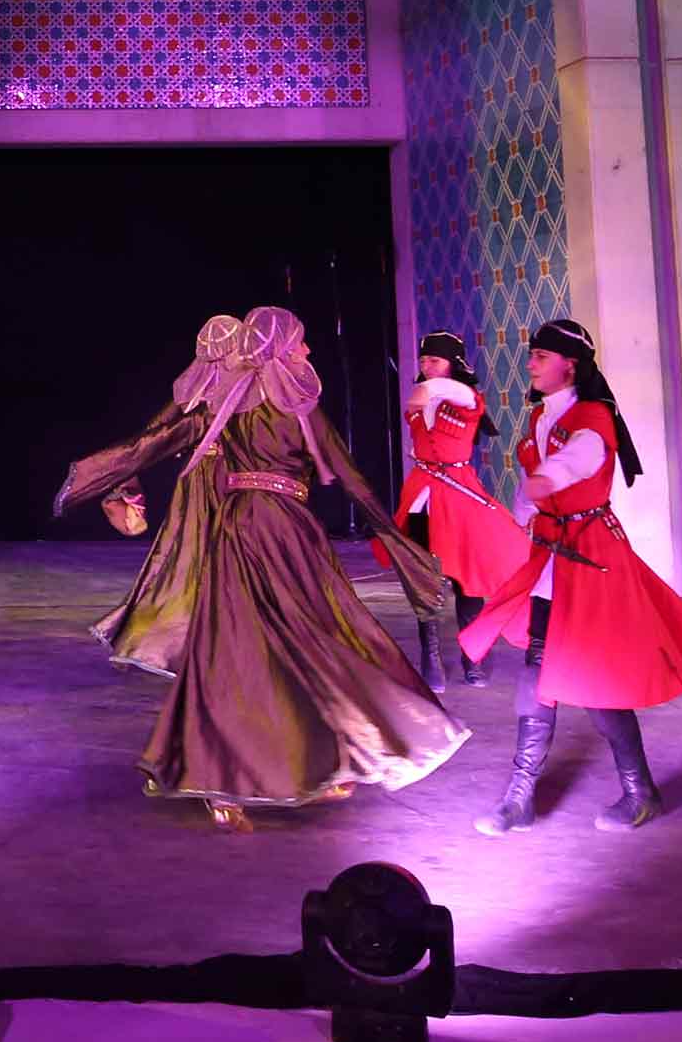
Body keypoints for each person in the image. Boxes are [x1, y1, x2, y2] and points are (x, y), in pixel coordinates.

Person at [56, 308, 466, 831]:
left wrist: (94, 476)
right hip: (278, 531)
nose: (309, 353)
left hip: (251, 529)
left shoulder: (229, 404)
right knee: (277, 645)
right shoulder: (294, 407)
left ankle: (306, 764)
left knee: (262, 648)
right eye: (301, 343)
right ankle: (230, 778)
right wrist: (392, 534)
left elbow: (155, 441)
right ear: (282, 347)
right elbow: (350, 479)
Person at [462, 318, 682, 833]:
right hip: (551, 553)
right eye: (531, 355)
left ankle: (640, 792)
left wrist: (546, 479)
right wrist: (519, 516)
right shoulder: (540, 417)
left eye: (540, 356)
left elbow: (582, 457)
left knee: (598, 679)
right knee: (536, 669)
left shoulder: (592, 414)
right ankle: (520, 795)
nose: (530, 363)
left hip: (591, 555)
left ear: (570, 364)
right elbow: (529, 489)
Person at [83, 312, 241, 676]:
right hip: (205, 484)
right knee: (184, 558)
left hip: (234, 482)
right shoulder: (198, 390)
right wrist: (126, 475)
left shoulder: (244, 387)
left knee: (225, 559)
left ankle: (223, 638)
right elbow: (154, 436)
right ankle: (149, 636)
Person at [399, 329, 532, 689]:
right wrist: (422, 391)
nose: (426, 367)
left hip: (460, 495)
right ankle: (431, 658)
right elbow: (422, 396)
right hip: (422, 497)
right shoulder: (422, 394)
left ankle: (474, 654)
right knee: (424, 576)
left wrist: (425, 389)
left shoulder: (467, 398)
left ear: (453, 363)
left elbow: (447, 390)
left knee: (467, 578)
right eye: (423, 360)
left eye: (434, 360)